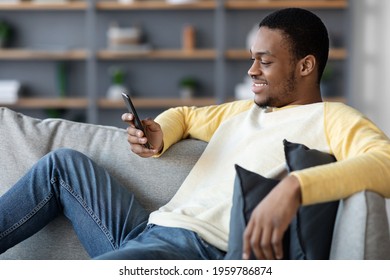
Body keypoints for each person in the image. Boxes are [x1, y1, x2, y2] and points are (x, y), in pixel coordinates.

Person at [1, 8, 390, 260]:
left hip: (195, 253)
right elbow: (185, 116)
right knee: (62, 165)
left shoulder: (331, 118)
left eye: (265, 61)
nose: (252, 70)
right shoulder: (241, 112)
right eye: (252, 59)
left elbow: (384, 164)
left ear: (306, 66)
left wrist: (293, 188)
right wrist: (158, 134)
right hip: (148, 230)